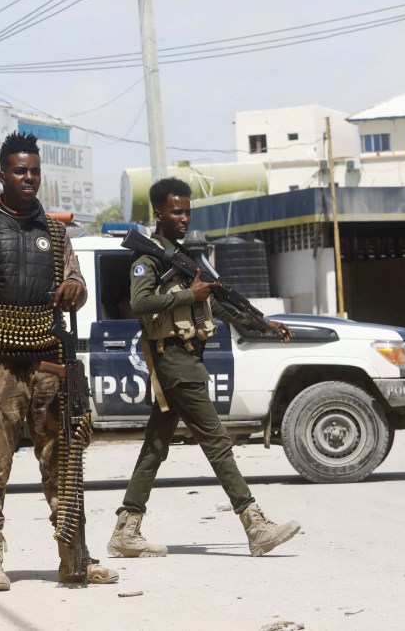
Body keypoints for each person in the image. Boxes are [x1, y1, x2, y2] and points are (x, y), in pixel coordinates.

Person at [0, 131, 119, 592]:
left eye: (35, 172)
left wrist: (75, 291)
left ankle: (74, 557)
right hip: (1, 366)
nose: (29, 178)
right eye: (20, 171)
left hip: (49, 364)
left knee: (63, 461)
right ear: (1, 175)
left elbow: (76, 283)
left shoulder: (56, 232)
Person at [107, 177, 301, 559]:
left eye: (187, 212)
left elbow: (217, 306)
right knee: (217, 442)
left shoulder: (179, 257)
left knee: (155, 447)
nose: (184, 218)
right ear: (158, 214)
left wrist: (264, 324)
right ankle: (255, 524)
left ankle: (126, 530)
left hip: (186, 359)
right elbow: (140, 304)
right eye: (177, 211)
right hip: (174, 361)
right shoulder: (147, 258)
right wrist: (187, 293)